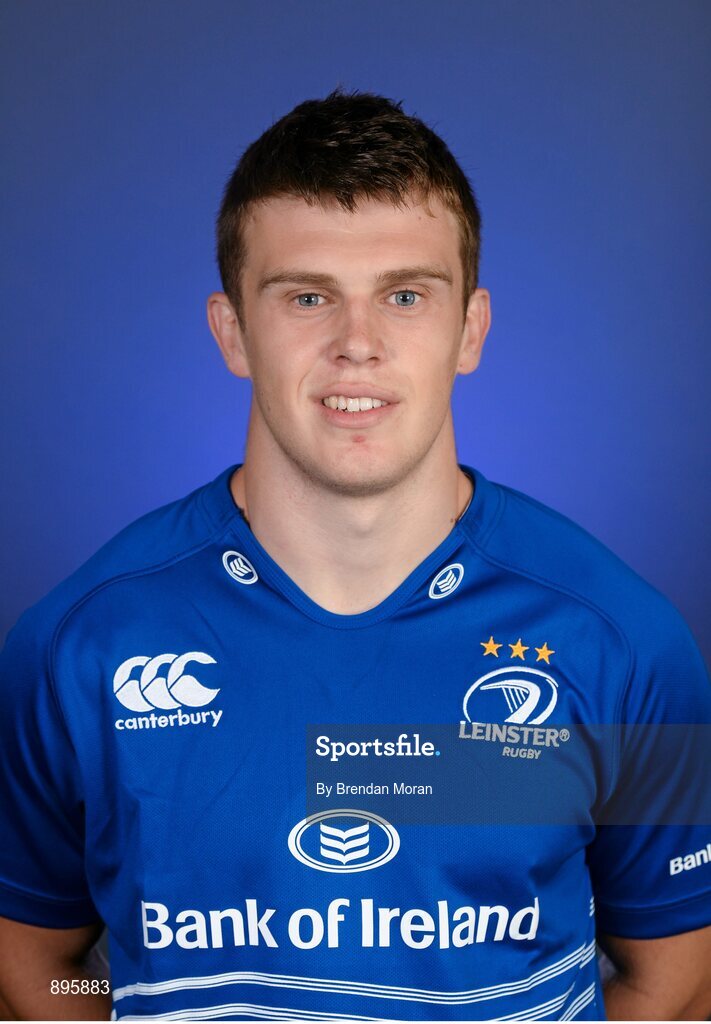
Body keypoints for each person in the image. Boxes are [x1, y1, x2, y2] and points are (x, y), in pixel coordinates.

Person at [0, 89, 709, 1023]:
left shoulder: (622, 644)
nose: (357, 346)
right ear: (230, 332)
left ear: (470, 330)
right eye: (306, 298)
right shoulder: (76, 645)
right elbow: (38, 963)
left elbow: (672, 978)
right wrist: (137, 992)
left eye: (405, 295)